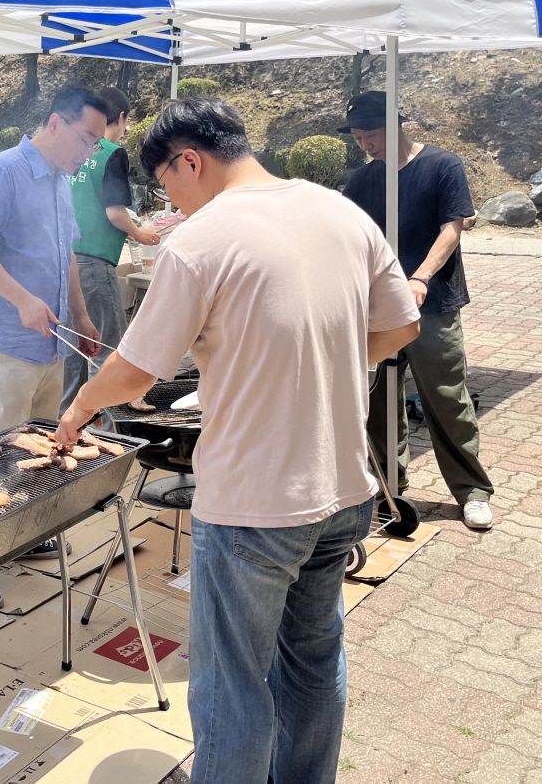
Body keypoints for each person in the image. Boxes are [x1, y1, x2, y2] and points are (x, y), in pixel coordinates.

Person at [55, 97, 419, 784]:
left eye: (167, 184)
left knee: (232, 683)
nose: (171, 205)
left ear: (189, 161)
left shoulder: (201, 240)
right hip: (344, 491)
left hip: (255, 505)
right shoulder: (339, 210)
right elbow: (400, 329)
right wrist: (324, 362)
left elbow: (135, 374)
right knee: (313, 662)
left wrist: (80, 404)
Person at [0, 86, 108, 610]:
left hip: (53, 341)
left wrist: (81, 316)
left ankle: (18, 534)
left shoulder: (62, 182)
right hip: (10, 335)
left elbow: (66, 254)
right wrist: (21, 298)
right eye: (86, 139)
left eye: (96, 144)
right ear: (55, 123)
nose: (89, 152)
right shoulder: (4, 170)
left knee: (35, 444)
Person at [339, 90, 496, 530]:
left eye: (372, 135)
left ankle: (472, 491)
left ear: (397, 126)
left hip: (433, 303)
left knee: (446, 397)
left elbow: (452, 229)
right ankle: (389, 486)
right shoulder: (364, 179)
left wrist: (420, 278)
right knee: (378, 401)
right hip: (377, 309)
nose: (366, 145)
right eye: (358, 138)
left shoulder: (442, 165)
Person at [61, 87, 160, 413]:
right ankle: (106, 424)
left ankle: (66, 421)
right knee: (107, 347)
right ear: (120, 117)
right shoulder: (112, 153)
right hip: (94, 261)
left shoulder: (74, 150)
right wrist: (138, 232)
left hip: (66, 259)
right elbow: (115, 213)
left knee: (75, 349)